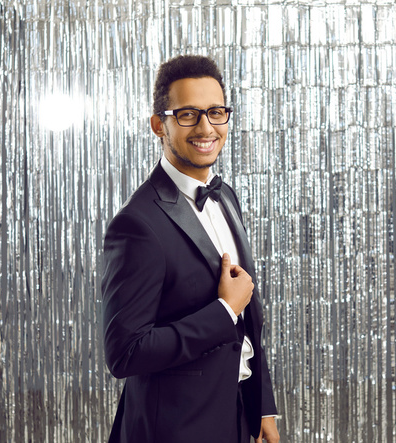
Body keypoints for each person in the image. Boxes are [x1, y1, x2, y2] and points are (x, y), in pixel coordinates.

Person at [101, 54, 279, 443]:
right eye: (187, 115)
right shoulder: (137, 224)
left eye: (216, 112)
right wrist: (224, 310)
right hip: (172, 430)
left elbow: (249, 322)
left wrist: (260, 403)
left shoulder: (225, 196)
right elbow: (125, 353)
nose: (206, 127)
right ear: (158, 125)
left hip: (235, 418)